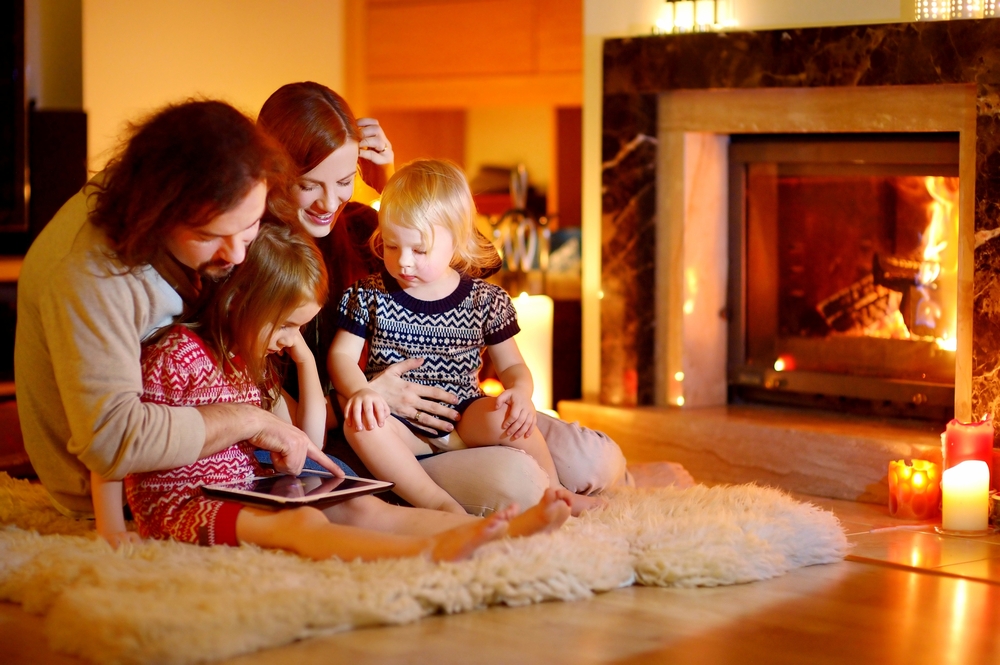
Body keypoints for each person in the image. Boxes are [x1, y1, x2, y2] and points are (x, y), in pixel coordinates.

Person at [256, 82, 693, 514]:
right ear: (277, 174)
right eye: (312, 185)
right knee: (516, 483)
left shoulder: (361, 226)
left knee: (596, 459)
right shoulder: (257, 259)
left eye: (345, 180)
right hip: (379, 434)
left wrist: (389, 188)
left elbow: (470, 267)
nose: (330, 201)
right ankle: (511, 495)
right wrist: (366, 394)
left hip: (460, 410)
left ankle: (620, 478)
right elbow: (297, 422)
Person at [91, 223, 571, 560]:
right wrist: (112, 528)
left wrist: (301, 359)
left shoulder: (250, 362)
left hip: (248, 489)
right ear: (240, 302)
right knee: (300, 527)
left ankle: (498, 535)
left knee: (361, 507)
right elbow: (116, 445)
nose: (288, 339)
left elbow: (311, 440)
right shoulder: (176, 355)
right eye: (285, 326)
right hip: (184, 504)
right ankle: (429, 552)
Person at [15, 100, 345, 519]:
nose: (237, 256)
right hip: (116, 490)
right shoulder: (92, 277)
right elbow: (114, 443)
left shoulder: (223, 184)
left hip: (216, 461)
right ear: (159, 218)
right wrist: (250, 421)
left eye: (249, 228)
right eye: (211, 236)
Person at [329, 159, 604, 517]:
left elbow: (513, 366)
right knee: (360, 426)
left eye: (419, 250)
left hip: (465, 416)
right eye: (392, 246)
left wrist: (520, 394)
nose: (404, 262)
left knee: (509, 416)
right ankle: (438, 504)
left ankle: (555, 493)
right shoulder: (370, 295)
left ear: (456, 241)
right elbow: (341, 357)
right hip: (399, 423)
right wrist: (362, 391)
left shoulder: (484, 300)